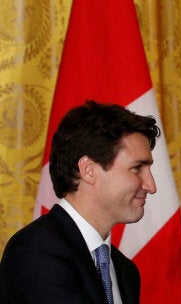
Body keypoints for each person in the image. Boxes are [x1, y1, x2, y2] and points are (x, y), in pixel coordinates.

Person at [0, 100, 160, 303]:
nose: (151, 186)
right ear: (88, 170)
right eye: (137, 168)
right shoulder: (37, 252)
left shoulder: (125, 271)